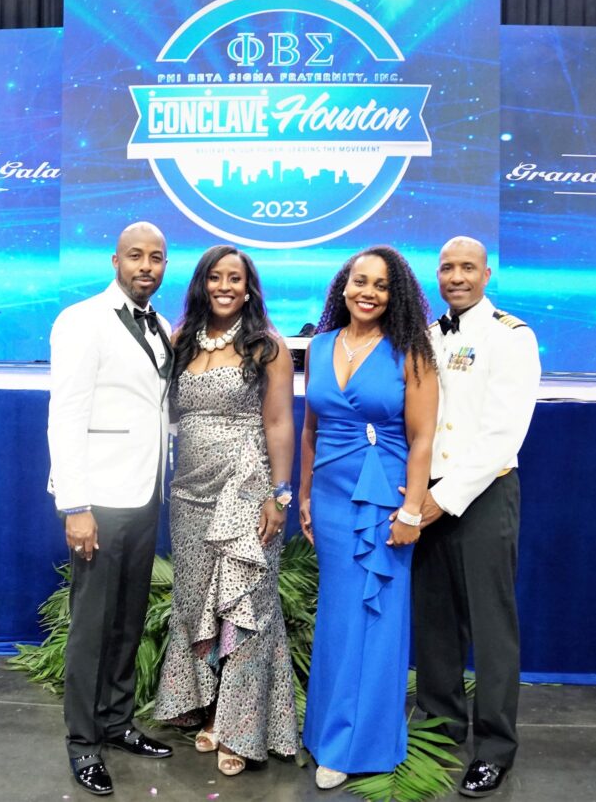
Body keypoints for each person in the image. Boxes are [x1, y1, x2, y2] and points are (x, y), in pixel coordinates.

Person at [153, 245, 299, 775]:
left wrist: (278, 494)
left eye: (235, 278)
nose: (225, 286)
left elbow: (281, 423)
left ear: (249, 286)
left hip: (246, 485)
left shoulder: (267, 346)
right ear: (201, 283)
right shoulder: (181, 341)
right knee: (196, 603)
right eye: (215, 276)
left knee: (247, 610)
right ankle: (208, 709)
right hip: (189, 491)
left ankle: (242, 728)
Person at [299, 246, 438, 789]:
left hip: (383, 498)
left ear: (394, 294)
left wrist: (411, 510)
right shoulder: (321, 343)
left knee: (372, 618)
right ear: (344, 285)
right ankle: (325, 733)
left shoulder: (411, 350)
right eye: (360, 281)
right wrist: (305, 495)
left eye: (380, 285)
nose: (368, 292)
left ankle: (359, 745)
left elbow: (423, 436)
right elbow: (310, 429)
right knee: (338, 616)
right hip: (331, 498)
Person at [47, 221, 175, 796]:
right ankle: (83, 742)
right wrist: (75, 503)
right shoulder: (81, 320)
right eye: (136, 256)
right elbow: (66, 413)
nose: (146, 266)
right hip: (97, 498)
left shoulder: (163, 325)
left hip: (146, 493)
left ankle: (118, 721)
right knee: (93, 627)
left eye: (156, 258)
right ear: (115, 259)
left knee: (127, 620)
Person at [411, 235, 540, 798]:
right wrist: (420, 493)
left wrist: (445, 497)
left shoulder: (511, 336)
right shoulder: (427, 336)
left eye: (467, 267)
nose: (456, 276)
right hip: (429, 493)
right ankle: (438, 730)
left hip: (483, 493)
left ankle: (493, 747)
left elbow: (502, 433)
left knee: (491, 628)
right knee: (435, 623)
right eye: (446, 267)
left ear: (487, 274)